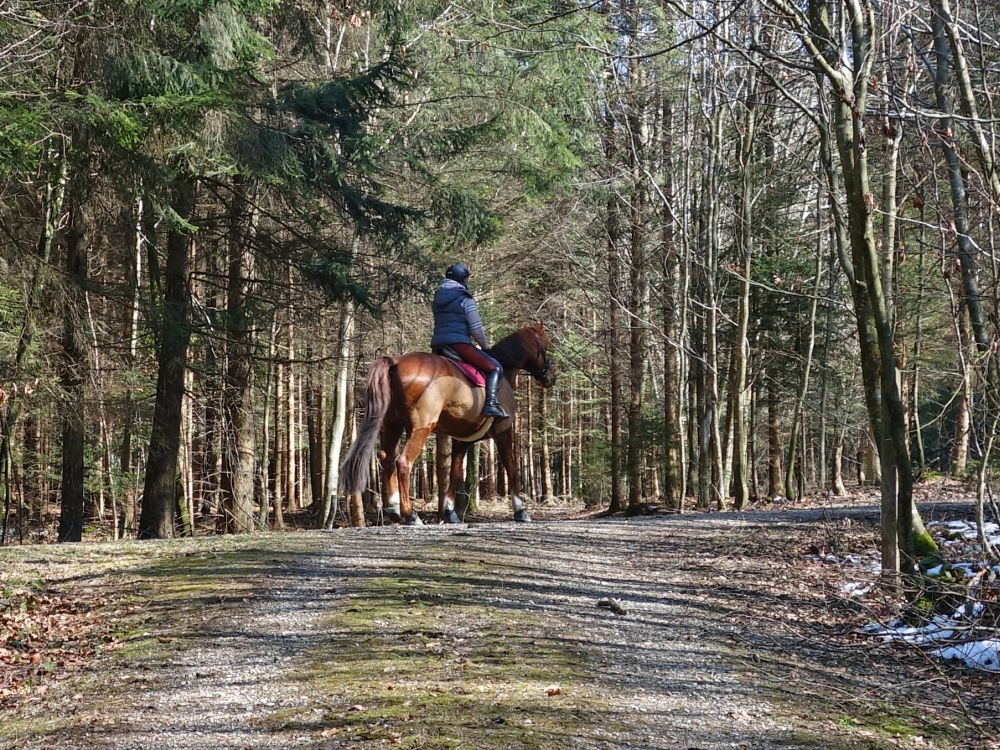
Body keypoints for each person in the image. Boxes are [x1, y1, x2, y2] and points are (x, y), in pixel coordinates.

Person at [430, 262, 509, 418]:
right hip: (459, 344)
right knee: (495, 368)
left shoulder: (437, 299)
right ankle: (491, 404)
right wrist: (485, 347)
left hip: (438, 345)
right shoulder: (465, 299)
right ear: (462, 280)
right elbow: (476, 329)